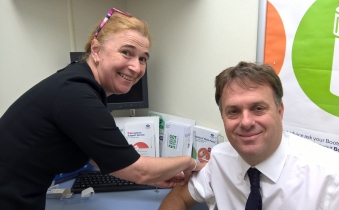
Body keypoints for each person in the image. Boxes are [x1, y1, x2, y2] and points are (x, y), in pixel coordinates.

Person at [0, 8, 204, 210]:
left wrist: (153, 179)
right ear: (96, 50)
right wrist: (189, 162)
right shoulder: (76, 93)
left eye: (143, 58)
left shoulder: (77, 82)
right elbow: (138, 170)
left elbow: (99, 154)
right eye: (126, 52)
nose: (136, 67)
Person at [159, 61, 339, 210]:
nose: (246, 122)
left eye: (258, 108)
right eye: (233, 111)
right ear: (223, 117)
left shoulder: (335, 179)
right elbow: (179, 197)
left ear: (279, 112)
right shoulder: (219, 160)